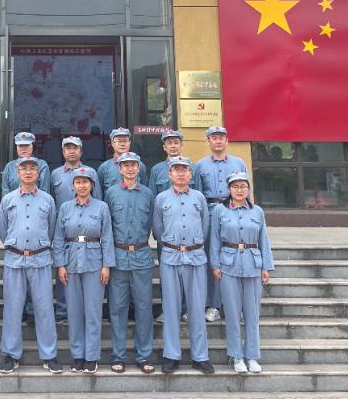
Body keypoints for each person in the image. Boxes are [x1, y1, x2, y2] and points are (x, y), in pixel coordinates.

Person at [0, 156, 62, 375]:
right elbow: (3, 229)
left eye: (32, 169)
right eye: (24, 169)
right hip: (14, 260)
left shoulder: (47, 200)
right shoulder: (8, 200)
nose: (28, 172)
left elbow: (51, 229)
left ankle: (49, 355)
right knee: (12, 309)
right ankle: (11, 354)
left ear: (38, 173)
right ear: (17, 173)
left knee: (44, 309)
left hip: (40, 259)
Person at [210, 170, 274, 375]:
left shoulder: (257, 211)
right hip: (228, 265)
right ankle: (236, 355)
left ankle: (252, 356)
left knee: (252, 314)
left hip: (253, 265)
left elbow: (264, 239)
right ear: (229, 189)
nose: (239, 190)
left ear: (248, 189)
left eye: (243, 186)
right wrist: (215, 265)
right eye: (235, 186)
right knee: (232, 313)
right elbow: (214, 239)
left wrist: (266, 266)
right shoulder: (220, 210)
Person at [153, 155, 212, 375]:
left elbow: (205, 227)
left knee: (197, 308)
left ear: (190, 174)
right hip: (171, 256)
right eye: (176, 169)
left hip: (195, 257)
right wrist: (172, 245)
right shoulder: (161, 198)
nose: (180, 173)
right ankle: (171, 355)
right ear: (169, 174)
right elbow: (157, 229)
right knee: (171, 308)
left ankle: (200, 356)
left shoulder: (199, 197)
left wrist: (193, 245)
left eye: (184, 169)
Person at [52, 166, 115, 374]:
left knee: (93, 312)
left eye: (85, 182)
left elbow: (107, 237)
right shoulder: (65, 208)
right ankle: (78, 355)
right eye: (78, 182)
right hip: (71, 262)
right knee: (74, 312)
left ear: (92, 185)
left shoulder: (101, 207)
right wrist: (60, 264)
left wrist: (106, 265)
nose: (82, 186)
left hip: (94, 262)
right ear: (73, 185)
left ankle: (91, 357)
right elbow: (59, 238)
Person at [104, 151, 156, 374]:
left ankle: (144, 355)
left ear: (139, 168)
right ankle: (119, 355)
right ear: (120, 169)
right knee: (117, 308)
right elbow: (107, 227)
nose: (130, 169)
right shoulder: (111, 193)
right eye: (126, 165)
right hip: (118, 257)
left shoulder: (148, 194)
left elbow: (152, 223)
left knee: (144, 307)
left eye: (134, 165)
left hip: (142, 256)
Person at [192, 125, 247, 323]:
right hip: (210, 212)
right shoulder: (200, 166)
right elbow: (197, 195)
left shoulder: (238, 163)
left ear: (227, 140)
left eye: (221, 137)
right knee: (212, 257)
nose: (218, 141)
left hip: (234, 211)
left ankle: (237, 305)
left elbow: (245, 190)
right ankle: (213, 304)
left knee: (236, 256)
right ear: (208, 141)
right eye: (214, 137)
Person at [50, 136, 101, 320]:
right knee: (63, 270)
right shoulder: (55, 174)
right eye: (68, 148)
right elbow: (50, 202)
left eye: (75, 148)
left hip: (87, 229)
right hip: (64, 228)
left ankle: (85, 311)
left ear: (81, 151)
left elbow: (98, 200)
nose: (72, 151)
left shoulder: (91, 173)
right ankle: (62, 310)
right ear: (63, 152)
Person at [97, 127, 142, 193]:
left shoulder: (139, 165)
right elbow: (99, 193)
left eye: (125, 141)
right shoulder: (104, 167)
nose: (122, 144)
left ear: (129, 143)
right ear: (112, 143)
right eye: (119, 141)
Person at [148, 129, 185, 195]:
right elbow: (152, 196)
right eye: (169, 143)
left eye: (176, 143)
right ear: (164, 147)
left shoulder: (192, 168)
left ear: (181, 145)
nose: (173, 146)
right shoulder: (156, 170)